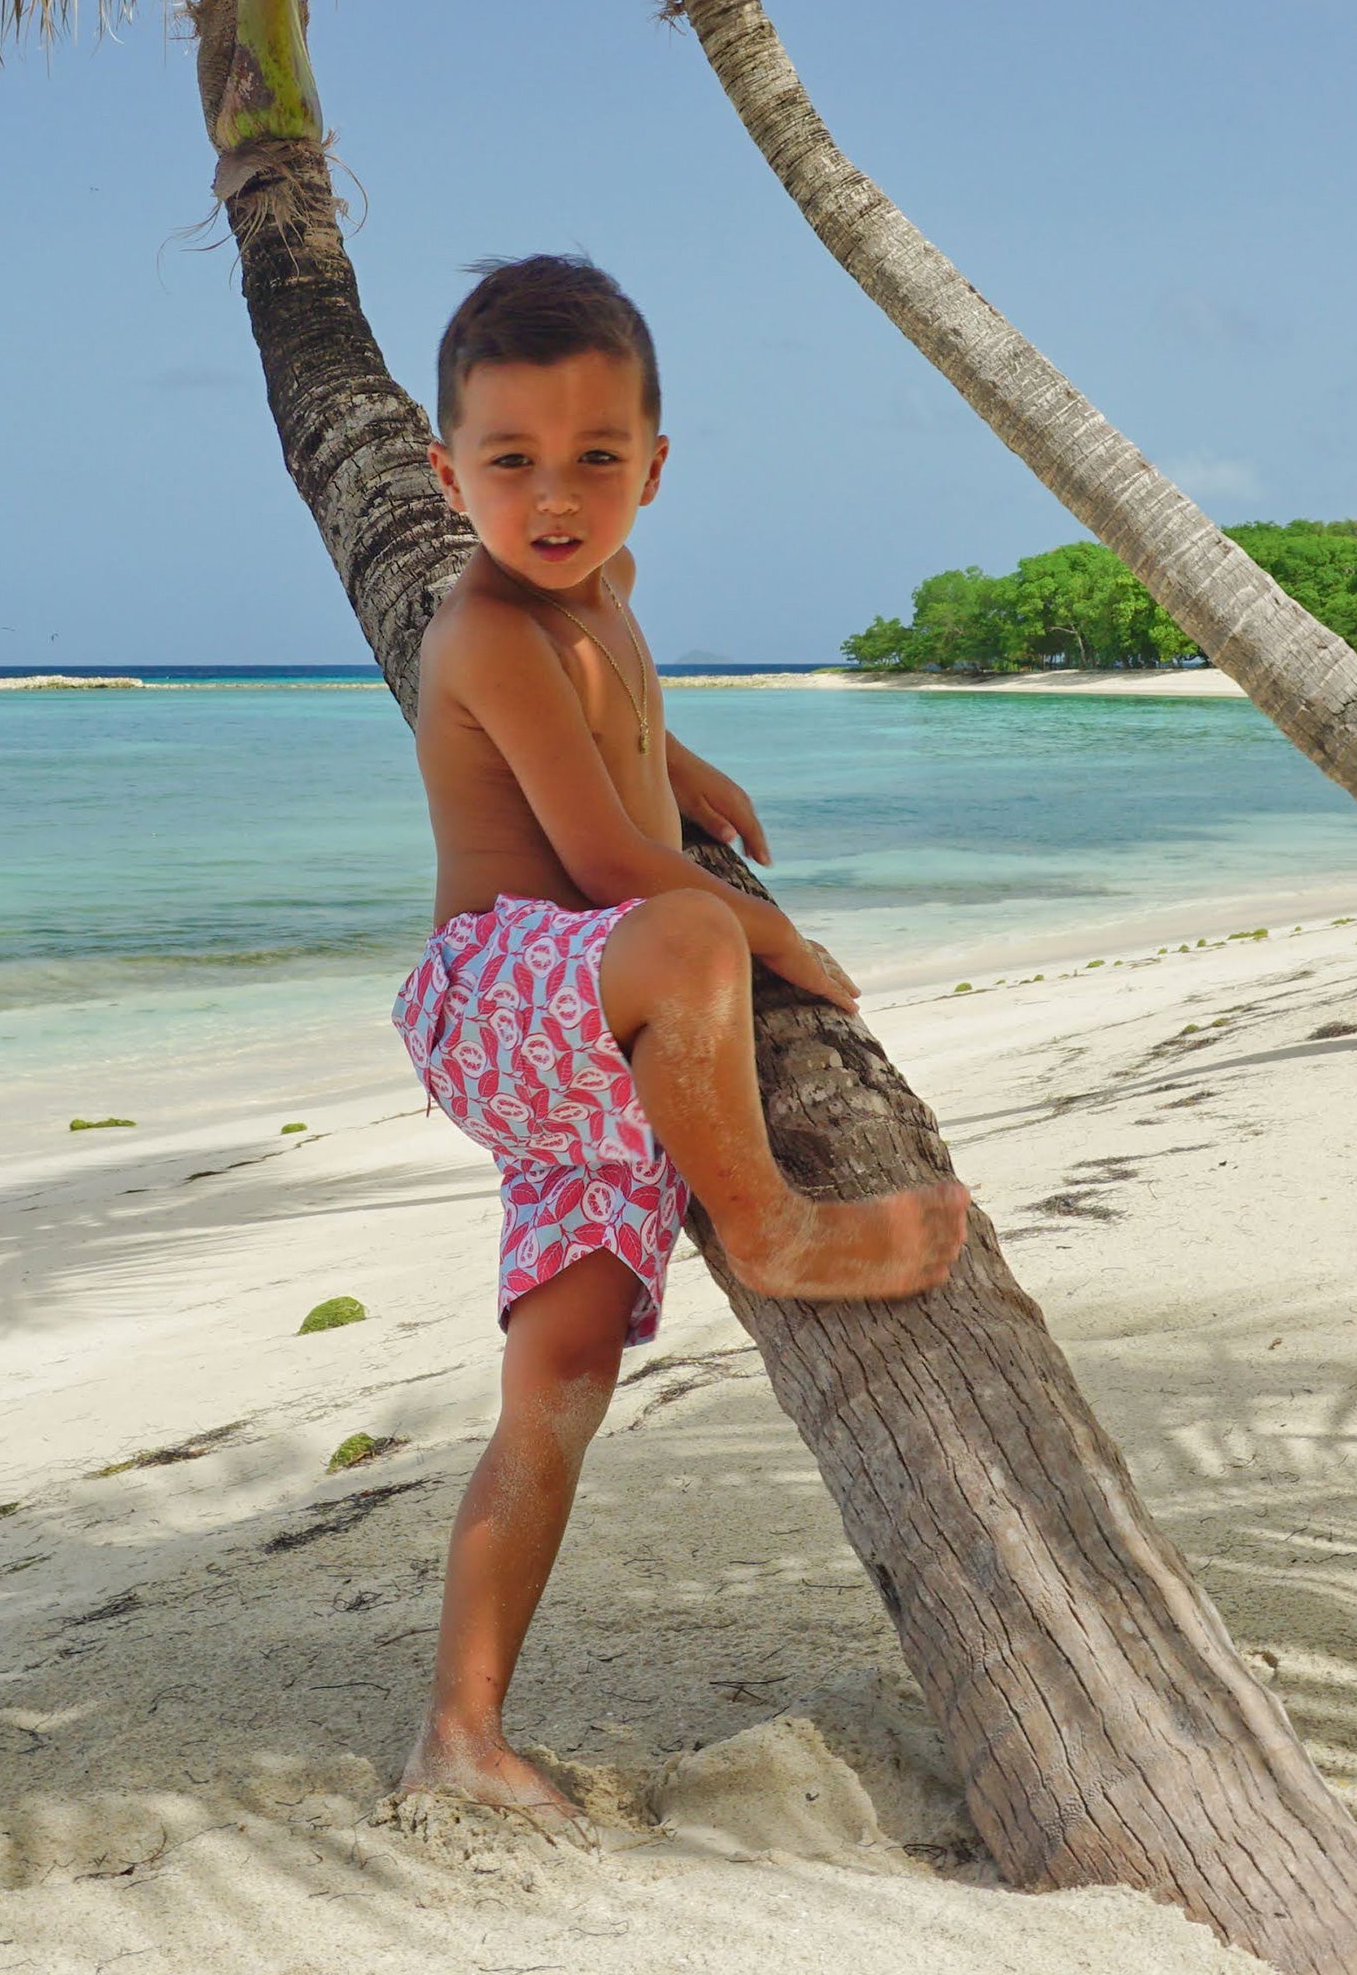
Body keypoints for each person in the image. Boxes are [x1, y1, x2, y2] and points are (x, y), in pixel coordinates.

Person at [391, 254, 970, 1820]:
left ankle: (461, 1731)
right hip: (495, 991)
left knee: (556, 1388)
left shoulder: (599, 597)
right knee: (696, 925)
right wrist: (762, 928)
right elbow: (602, 872)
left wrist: (684, 760)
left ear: (655, 465)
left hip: (570, 1051)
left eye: (595, 458)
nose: (556, 497)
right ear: (449, 477)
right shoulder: (490, 634)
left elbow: (614, 719)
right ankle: (774, 1229)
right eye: (510, 462)